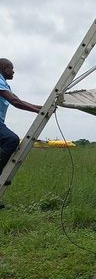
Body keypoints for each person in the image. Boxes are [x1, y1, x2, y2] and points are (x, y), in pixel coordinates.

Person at [0, 58, 42, 208]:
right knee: (11, 139)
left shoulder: (5, 84)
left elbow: (18, 99)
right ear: (3, 68)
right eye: (11, 68)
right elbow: (15, 102)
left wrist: (39, 107)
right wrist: (37, 111)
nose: (13, 71)